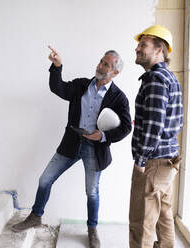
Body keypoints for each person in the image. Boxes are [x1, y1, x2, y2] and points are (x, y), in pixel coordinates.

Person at [12, 46, 132, 248]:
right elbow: (57, 88)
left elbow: (126, 127)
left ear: (115, 72)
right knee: (45, 179)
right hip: (71, 142)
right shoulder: (81, 85)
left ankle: (92, 229)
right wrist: (57, 66)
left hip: (94, 149)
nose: (100, 66)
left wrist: (102, 135)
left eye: (106, 64)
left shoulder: (118, 97)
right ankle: (35, 216)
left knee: (92, 191)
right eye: (101, 61)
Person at [129, 25, 183, 248]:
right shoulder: (168, 77)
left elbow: (153, 127)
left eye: (143, 45)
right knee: (163, 217)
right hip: (167, 160)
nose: (137, 49)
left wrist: (141, 160)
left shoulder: (154, 79)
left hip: (153, 162)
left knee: (142, 222)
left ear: (159, 50)